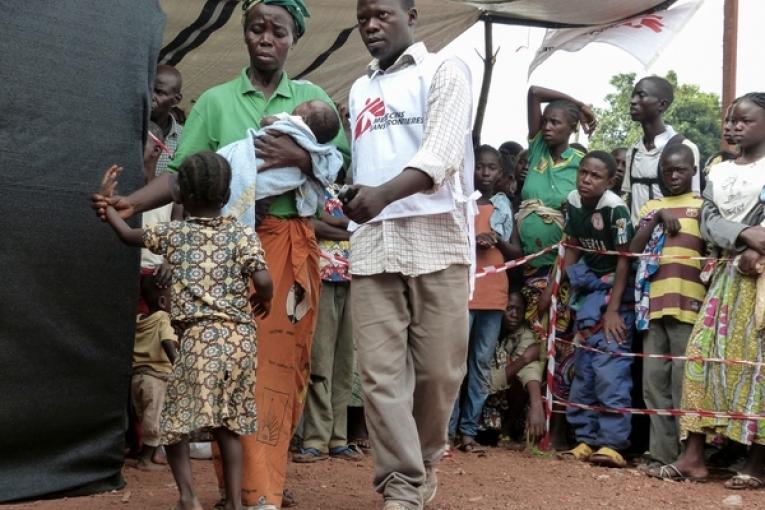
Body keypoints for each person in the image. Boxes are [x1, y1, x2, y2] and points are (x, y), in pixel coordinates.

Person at [92, 1, 350, 507]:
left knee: (281, 364)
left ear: (294, 37)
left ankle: (265, 485)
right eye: (257, 28)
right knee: (233, 371)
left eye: (278, 30)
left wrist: (300, 154)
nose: (266, 38)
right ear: (247, 34)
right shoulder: (214, 101)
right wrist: (133, 202)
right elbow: (181, 175)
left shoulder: (315, 98)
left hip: (291, 245)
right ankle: (248, 490)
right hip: (229, 251)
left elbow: (331, 162)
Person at [343, 0, 473, 508]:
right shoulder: (359, 87)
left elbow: (439, 155)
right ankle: (401, 485)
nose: (370, 26)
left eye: (381, 14)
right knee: (380, 376)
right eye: (362, 19)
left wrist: (380, 194)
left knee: (441, 373)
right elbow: (367, 161)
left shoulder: (445, 70)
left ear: (411, 15)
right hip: (374, 243)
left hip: (436, 237)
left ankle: (424, 461)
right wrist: (358, 198)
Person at [99, 153, 273, 510]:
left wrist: (107, 207)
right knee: (228, 424)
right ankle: (237, 504)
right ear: (226, 196)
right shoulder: (242, 234)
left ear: (180, 198)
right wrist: (264, 299)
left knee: (176, 421)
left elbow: (128, 235)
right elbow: (263, 279)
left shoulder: (174, 234)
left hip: (197, 339)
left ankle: (189, 497)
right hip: (240, 340)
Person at [646, 93, 765, 489]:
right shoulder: (719, 171)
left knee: (757, 366)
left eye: (744, 120)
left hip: (761, 281)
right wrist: (746, 237)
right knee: (701, 357)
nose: (733, 126)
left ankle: (756, 461)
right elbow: (709, 220)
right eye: (730, 120)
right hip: (727, 278)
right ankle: (694, 455)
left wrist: (756, 248)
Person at [543, 151, 635, 468]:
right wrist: (559, 287)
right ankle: (585, 438)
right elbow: (572, 246)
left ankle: (613, 444)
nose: (586, 179)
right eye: (583, 172)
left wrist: (613, 309)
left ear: (609, 181)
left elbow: (625, 259)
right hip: (586, 293)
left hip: (613, 294)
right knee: (583, 371)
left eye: (596, 176)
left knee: (610, 371)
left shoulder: (616, 209)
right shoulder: (572, 200)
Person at [516, 86, 595, 438]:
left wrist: (556, 281)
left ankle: (558, 423)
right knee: (529, 339)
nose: (547, 127)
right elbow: (533, 91)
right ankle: (529, 420)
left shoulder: (582, 166)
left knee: (559, 342)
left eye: (556, 122)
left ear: (571, 128)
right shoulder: (536, 150)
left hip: (558, 270)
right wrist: (577, 101)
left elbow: (578, 228)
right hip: (528, 267)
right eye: (545, 121)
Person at [629, 144, 705, 467]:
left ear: (693, 171)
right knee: (654, 384)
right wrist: (657, 217)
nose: (673, 176)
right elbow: (633, 250)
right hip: (652, 307)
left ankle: (685, 455)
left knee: (682, 383)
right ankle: (661, 453)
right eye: (667, 171)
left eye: (680, 170)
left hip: (690, 306)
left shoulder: (703, 207)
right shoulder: (653, 206)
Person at [449, 144, 517, 453]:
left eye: (491, 168)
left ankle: (468, 431)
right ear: (469, 169)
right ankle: (445, 431)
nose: (485, 173)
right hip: (463, 293)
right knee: (453, 363)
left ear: (501, 174)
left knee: (480, 364)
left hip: (493, 296)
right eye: (480, 167)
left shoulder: (503, 208)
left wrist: (497, 239)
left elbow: (518, 252)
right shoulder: (459, 203)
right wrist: (471, 241)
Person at [292, 180, 362, 463]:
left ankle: (339, 438)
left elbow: (359, 226)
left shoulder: (356, 190)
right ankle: (315, 438)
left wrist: (336, 225)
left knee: (345, 362)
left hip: (354, 279)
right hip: (320, 278)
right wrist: (348, 228)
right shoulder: (310, 187)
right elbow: (313, 226)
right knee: (320, 360)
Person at [218, 99, 343, 225]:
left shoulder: (293, 121)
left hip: (257, 168)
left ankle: (239, 224)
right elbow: (329, 171)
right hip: (280, 178)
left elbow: (266, 121)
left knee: (246, 193)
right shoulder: (318, 148)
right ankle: (248, 222)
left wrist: (300, 158)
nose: (302, 103)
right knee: (261, 202)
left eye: (307, 104)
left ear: (304, 118)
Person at [622, 76, 700, 224]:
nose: (633, 101)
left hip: (671, 238)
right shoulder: (633, 151)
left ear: (662, 105)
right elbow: (630, 197)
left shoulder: (685, 148)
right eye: (633, 95)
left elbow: (694, 203)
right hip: (638, 240)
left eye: (641, 95)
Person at [481, 292, 546, 446]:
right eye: (509, 308)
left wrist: (537, 405)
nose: (514, 314)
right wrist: (523, 359)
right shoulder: (483, 332)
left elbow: (530, 368)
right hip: (479, 402)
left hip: (501, 404)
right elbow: (488, 384)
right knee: (519, 361)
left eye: (519, 310)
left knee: (527, 376)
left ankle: (506, 431)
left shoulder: (524, 333)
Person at [131, 274, 178, 471]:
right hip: (156, 378)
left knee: (145, 416)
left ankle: (153, 453)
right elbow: (167, 341)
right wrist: (178, 363)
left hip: (137, 377)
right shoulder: (162, 318)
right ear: (162, 301)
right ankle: (145, 459)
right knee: (155, 419)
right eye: (173, 298)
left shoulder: (138, 320)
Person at [151, 65, 184, 176]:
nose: (151, 96)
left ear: (176, 100)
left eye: (159, 92)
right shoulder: (128, 131)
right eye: (148, 89)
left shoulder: (184, 138)